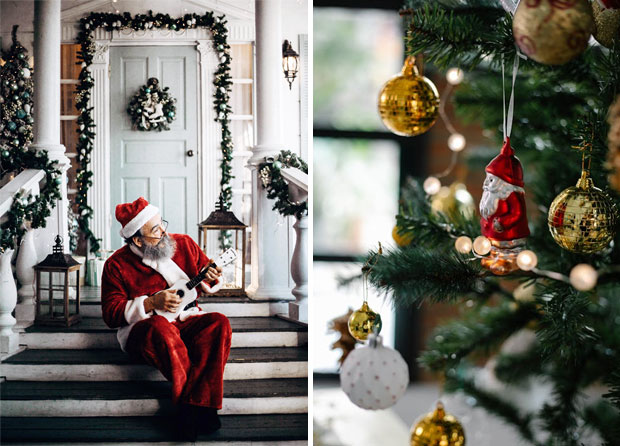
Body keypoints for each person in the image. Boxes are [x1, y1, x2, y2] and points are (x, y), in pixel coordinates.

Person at [101, 197, 232, 440]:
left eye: (161, 224)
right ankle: (198, 409)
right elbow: (110, 313)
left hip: (186, 319)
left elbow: (207, 278)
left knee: (218, 323)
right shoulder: (116, 265)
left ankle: (191, 408)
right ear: (137, 239)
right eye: (154, 230)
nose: (163, 232)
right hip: (145, 329)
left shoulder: (184, 244)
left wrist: (213, 274)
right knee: (160, 326)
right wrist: (150, 303)